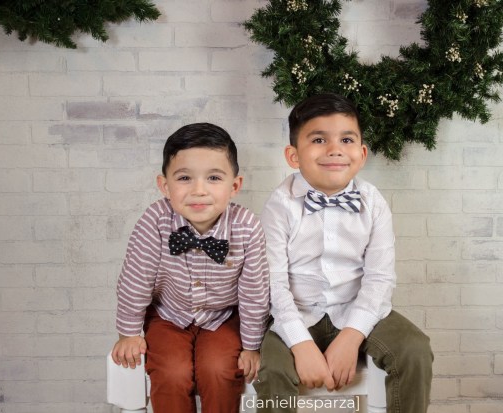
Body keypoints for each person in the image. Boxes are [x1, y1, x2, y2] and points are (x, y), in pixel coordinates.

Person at [254, 93, 433, 413]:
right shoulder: (280, 205)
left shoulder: (373, 202)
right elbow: (273, 283)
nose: (334, 149)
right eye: (318, 139)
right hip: (295, 312)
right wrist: (301, 344)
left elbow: (380, 278)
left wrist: (351, 336)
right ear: (293, 156)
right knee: (273, 370)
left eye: (346, 140)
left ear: (362, 154)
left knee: (414, 349)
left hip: (359, 307)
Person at [110, 122, 270, 413]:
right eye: (184, 178)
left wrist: (252, 345)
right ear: (165, 186)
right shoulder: (155, 219)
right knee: (171, 372)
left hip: (223, 317)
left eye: (213, 178)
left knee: (219, 370)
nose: (199, 190)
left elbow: (254, 293)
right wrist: (129, 332)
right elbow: (136, 279)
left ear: (234, 186)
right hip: (168, 315)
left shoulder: (247, 227)